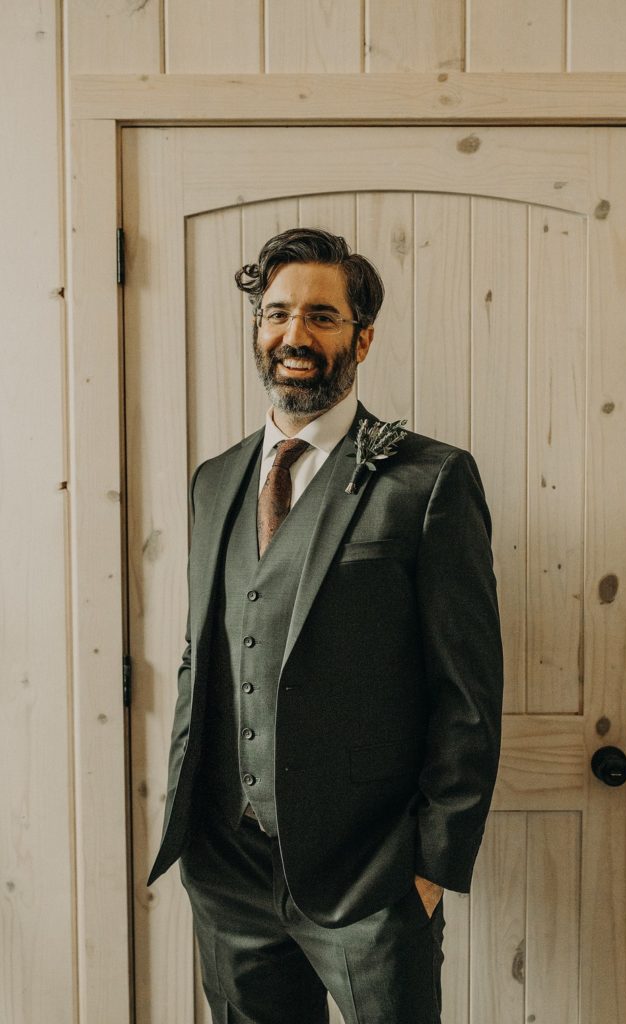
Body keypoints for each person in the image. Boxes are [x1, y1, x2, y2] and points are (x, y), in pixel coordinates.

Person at [148, 227, 504, 1024]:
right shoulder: (216, 480)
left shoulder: (429, 480)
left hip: (371, 873)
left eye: (321, 316)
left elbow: (468, 691)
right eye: (276, 314)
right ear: (257, 330)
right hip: (226, 869)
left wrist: (430, 864)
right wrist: (192, 837)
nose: (294, 336)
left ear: (362, 338)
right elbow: (204, 657)